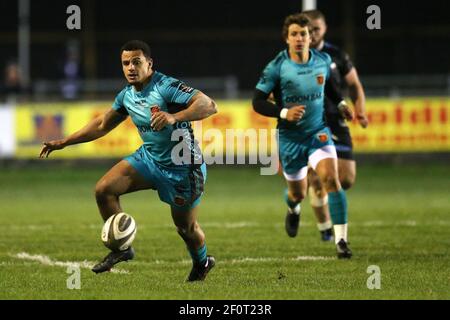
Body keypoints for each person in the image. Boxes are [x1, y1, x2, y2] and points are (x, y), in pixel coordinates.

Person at [39, 40, 218, 280]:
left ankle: (202, 262)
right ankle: (122, 249)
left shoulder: (165, 86)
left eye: (136, 62)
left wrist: (174, 116)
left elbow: (209, 105)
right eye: (126, 63)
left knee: (186, 228)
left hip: (183, 168)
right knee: (104, 190)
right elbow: (102, 125)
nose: (131, 67)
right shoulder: (126, 96)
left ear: (149, 63)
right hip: (150, 159)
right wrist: (64, 142)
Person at [252, 13, 354, 258]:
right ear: (287, 39)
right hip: (290, 139)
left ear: (311, 37)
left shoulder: (323, 60)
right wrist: (284, 112)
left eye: (303, 34)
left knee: (332, 179)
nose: (299, 38)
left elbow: (330, 88)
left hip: (318, 133)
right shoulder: (277, 66)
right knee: (297, 191)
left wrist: (340, 104)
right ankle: (294, 208)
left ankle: (341, 242)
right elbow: (257, 102)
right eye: (294, 34)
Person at [303, 9, 368, 242]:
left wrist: (360, 109)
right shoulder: (295, 57)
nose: (312, 33)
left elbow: (355, 86)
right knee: (319, 179)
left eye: (316, 29)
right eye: (308, 29)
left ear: (324, 28)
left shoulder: (337, 56)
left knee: (347, 178)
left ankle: (317, 188)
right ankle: (326, 229)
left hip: (337, 120)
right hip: (310, 123)